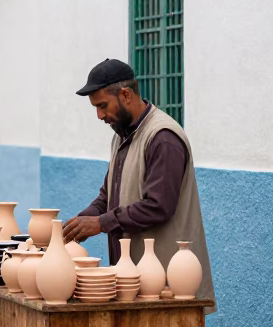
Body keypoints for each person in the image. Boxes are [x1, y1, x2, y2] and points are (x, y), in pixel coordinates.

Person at [63, 58, 214, 303]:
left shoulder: (162, 138)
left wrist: (101, 223)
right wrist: (83, 220)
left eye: (103, 105)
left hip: (167, 281)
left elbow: (158, 206)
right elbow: (107, 196)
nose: (100, 115)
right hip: (134, 279)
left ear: (125, 95)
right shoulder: (121, 135)